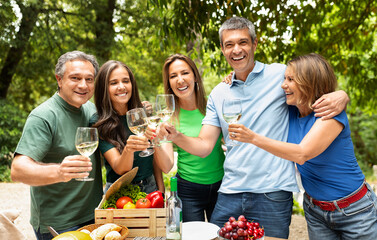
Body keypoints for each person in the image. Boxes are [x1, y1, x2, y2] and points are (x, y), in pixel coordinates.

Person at [157, 17, 349, 239]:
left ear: (255, 44)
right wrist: (177, 136)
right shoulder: (219, 93)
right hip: (230, 191)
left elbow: (314, 85)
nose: (236, 50)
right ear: (222, 49)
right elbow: (204, 147)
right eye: (229, 44)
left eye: (243, 42)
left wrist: (341, 95)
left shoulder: (280, 76)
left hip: (273, 193)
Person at [228, 53, 377, 240]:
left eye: (291, 79)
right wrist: (234, 78)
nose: (284, 85)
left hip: (355, 210)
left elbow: (302, 153)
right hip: (315, 211)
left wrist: (252, 138)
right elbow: (256, 92)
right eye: (284, 78)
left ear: (310, 82)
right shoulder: (291, 110)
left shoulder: (329, 114)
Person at [11, 50, 103, 240]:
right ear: (59, 80)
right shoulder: (44, 116)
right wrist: (60, 171)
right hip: (58, 224)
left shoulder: (91, 109)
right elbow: (18, 170)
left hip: (93, 216)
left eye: (89, 79)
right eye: (75, 78)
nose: (83, 85)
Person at [153, 54, 225, 222]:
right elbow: (166, 165)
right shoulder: (168, 118)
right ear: (169, 83)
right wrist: (156, 139)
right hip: (188, 191)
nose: (180, 80)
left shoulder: (213, 107)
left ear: (195, 76)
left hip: (222, 185)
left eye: (184, 73)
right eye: (173, 76)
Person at [91, 60, 164, 194]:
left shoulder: (141, 113)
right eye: (114, 83)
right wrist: (128, 149)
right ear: (104, 88)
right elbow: (120, 168)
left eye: (126, 81)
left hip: (150, 187)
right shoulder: (99, 122)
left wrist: (161, 189)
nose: (121, 87)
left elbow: (154, 155)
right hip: (119, 191)